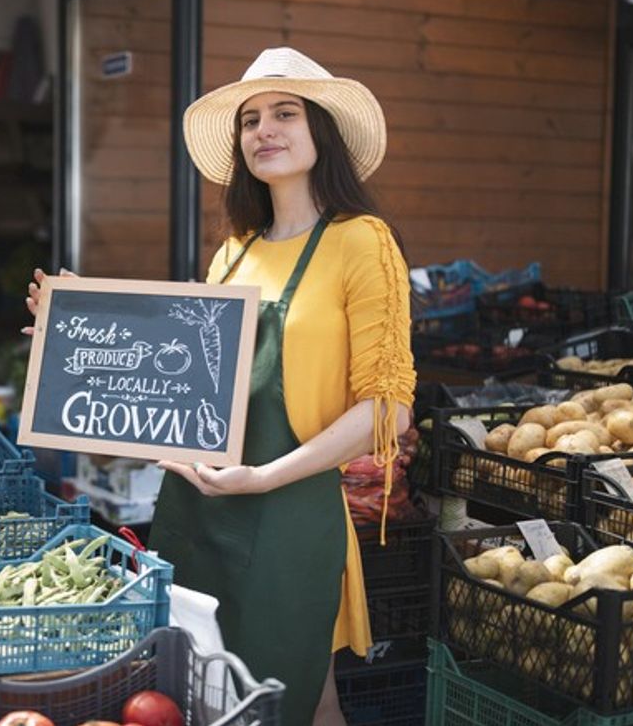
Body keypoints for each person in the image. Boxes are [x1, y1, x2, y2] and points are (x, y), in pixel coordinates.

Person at [24, 47, 415, 726]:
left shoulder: (362, 242)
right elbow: (188, 385)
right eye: (251, 119)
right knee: (242, 699)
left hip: (289, 516)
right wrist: (77, 342)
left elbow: (390, 408)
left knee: (277, 699)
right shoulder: (234, 251)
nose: (265, 129)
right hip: (198, 511)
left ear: (320, 130)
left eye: (285, 113)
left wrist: (265, 477)